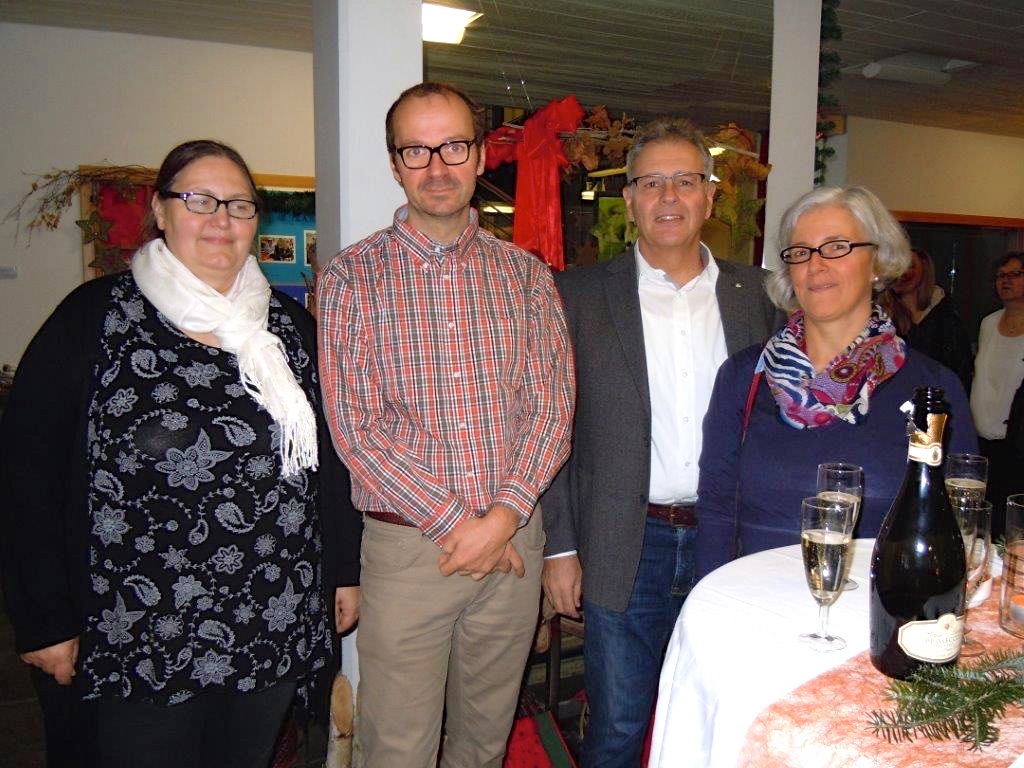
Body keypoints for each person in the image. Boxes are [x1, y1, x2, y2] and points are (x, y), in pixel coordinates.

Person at [0, 140, 361, 768]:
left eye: (239, 205)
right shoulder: (95, 319)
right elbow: (26, 474)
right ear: (161, 211)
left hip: (269, 619)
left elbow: (327, 462)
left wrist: (342, 570)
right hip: (138, 633)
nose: (222, 219)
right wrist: (44, 618)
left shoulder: (288, 329)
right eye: (200, 200)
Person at [317, 82, 574, 768]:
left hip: (514, 540)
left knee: (484, 742)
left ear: (481, 154)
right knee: (397, 748)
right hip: (410, 550)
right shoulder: (350, 278)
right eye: (417, 150)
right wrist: (464, 527)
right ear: (394, 164)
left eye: (454, 146)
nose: (437, 166)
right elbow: (356, 428)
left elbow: (552, 409)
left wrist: (502, 518)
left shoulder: (527, 277)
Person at [540, 116, 779, 767]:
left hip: (729, 541)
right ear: (629, 199)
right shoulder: (576, 296)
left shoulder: (759, 298)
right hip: (625, 542)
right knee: (618, 725)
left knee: (719, 717)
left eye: (685, 181)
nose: (668, 197)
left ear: (710, 196)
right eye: (651, 183)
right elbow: (551, 428)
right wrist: (560, 548)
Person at [697, 186, 977, 578]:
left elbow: (959, 521)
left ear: (877, 261)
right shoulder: (745, 376)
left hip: (876, 604)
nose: (815, 265)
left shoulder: (931, 390)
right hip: (753, 600)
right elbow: (716, 507)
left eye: (837, 247)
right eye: (801, 252)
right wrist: (712, 595)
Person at [971, 251, 1024, 539]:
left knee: (1011, 525)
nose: (1006, 281)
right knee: (981, 522)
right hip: (982, 439)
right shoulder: (988, 323)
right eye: (1001, 276)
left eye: (1015, 274)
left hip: (1016, 444)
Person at [885, 246, 973, 389]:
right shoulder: (881, 317)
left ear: (925, 270)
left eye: (910, 266)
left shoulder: (946, 316)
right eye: (896, 267)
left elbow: (960, 370)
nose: (902, 273)